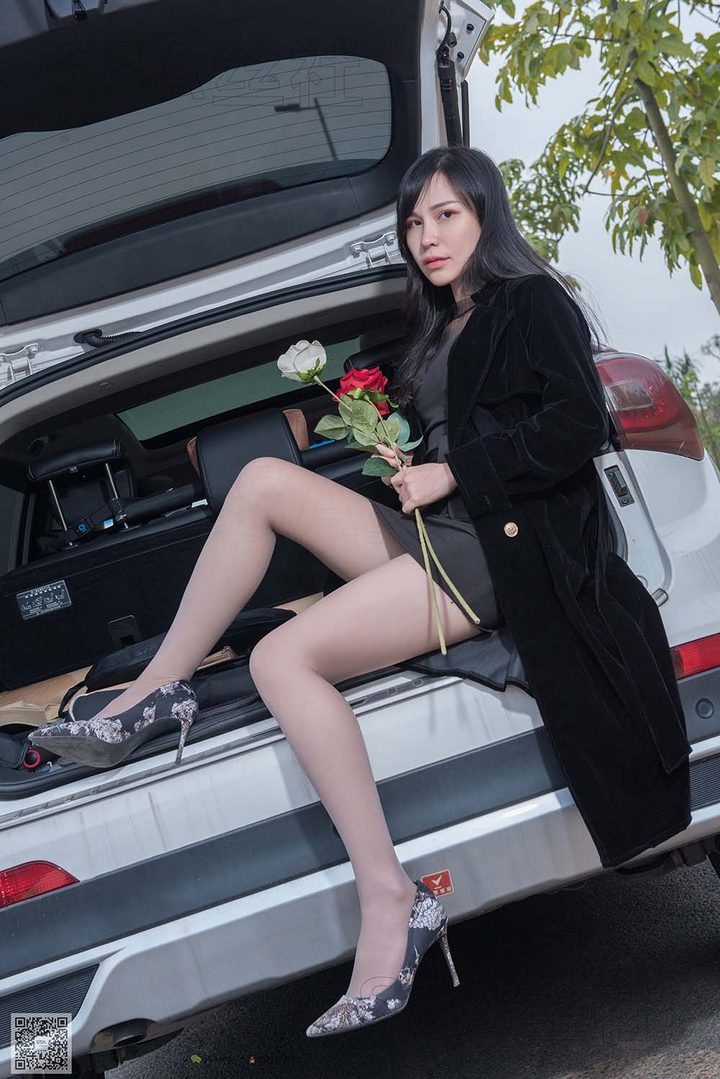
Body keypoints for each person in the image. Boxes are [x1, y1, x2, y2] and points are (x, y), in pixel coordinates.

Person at [28, 145, 691, 1036]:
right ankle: (157, 690)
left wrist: (454, 471)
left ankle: (392, 897)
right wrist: (397, 450)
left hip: (494, 556)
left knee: (280, 657)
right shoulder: (439, 328)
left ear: (487, 214)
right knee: (260, 480)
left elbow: (577, 423)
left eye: (446, 215)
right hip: (441, 535)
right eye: (414, 222)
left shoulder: (531, 300)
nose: (426, 237)